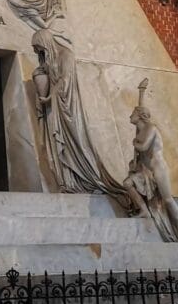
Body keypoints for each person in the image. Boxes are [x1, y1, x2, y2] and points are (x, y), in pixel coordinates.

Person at [31, 24, 128, 208]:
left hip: (68, 109)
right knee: (56, 148)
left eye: (38, 48)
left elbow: (65, 81)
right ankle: (68, 182)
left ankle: (88, 177)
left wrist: (50, 97)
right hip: (54, 109)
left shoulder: (66, 55)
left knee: (77, 142)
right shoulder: (47, 60)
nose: (37, 52)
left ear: (45, 43)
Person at [124, 103, 178, 243]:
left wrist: (134, 142)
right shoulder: (140, 130)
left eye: (133, 114)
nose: (130, 116)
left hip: (158, 167)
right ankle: (144, 210)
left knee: (168, 199)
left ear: (140, 116)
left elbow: (143, 146)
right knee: (127, 183)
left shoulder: (151, 128)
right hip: (145, 171)